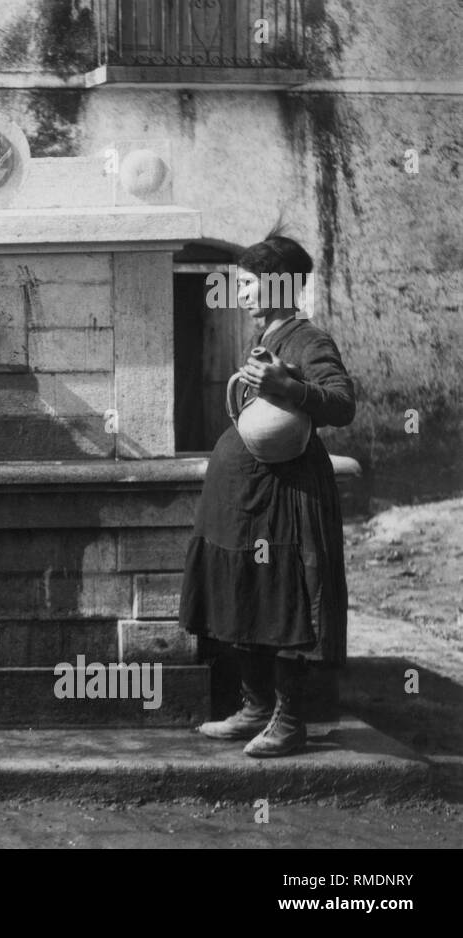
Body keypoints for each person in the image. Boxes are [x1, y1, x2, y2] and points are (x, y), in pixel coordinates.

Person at [180, 233, 356, 758]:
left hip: (287, 493)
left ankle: (290, 721)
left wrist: (289, 386)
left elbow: (342, 404)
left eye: (250, 284)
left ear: (281, 285)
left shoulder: (308, 340)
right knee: (248, 589)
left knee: (285, 596)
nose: (241, 294)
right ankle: (256, 707)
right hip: (250, 495)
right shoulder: (268, 336)